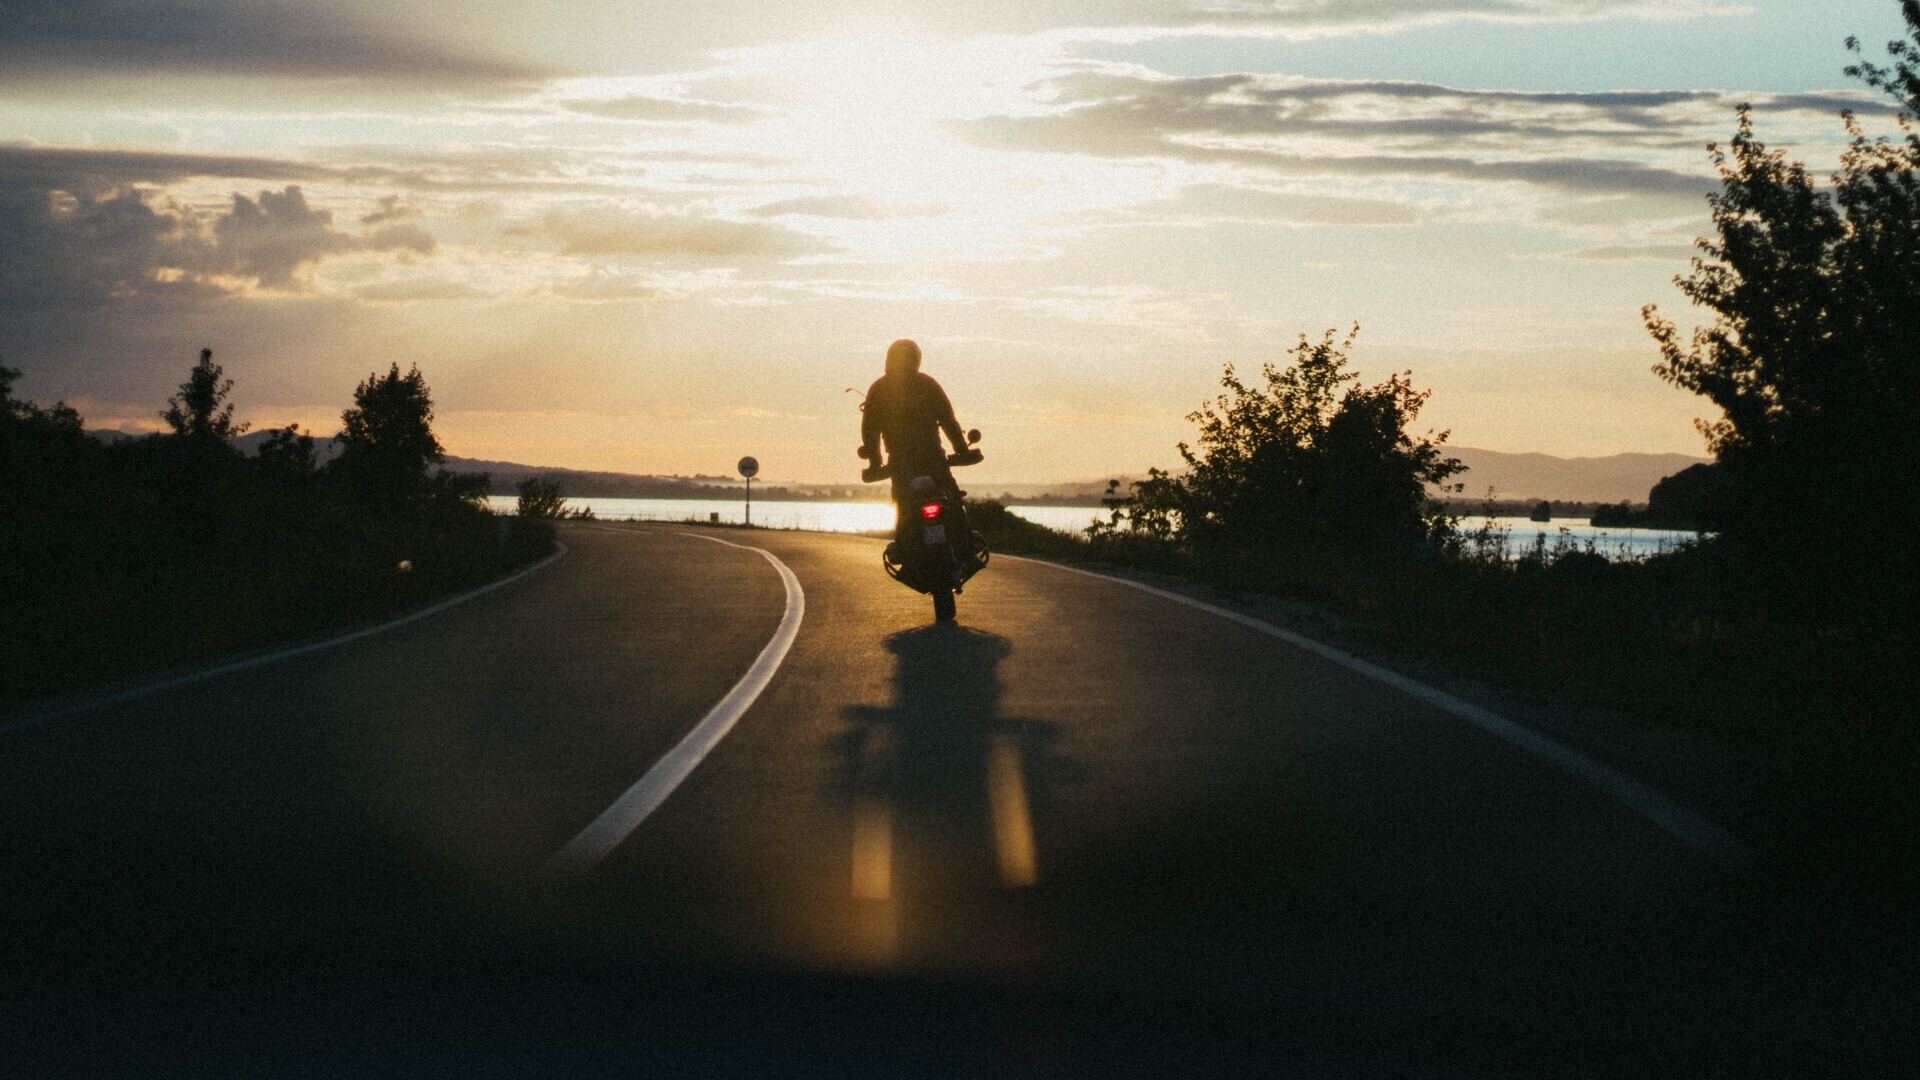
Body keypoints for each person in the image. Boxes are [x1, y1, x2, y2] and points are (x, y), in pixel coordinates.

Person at [858, 338, 971, 507]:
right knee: (953, 503)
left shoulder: (878, 389)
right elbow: (948, 421)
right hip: (932, 459)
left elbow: (870, 431)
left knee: (905, 510)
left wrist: (875, 463)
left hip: (901, 464)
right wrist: (962, 449)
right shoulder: (928, 384)